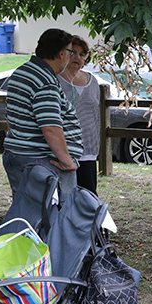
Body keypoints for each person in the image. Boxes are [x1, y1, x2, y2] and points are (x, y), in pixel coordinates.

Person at [2, 28, 83, 198]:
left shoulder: (22, 72)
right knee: (56, 217)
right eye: (70, 52)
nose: (70, 58)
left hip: (19, 155)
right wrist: (67, 162)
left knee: (26, 215)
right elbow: (51, 127)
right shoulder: (44, 82)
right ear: (61, 54)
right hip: (42, 161)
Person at [59, 35, 100, 195]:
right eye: (73, 53)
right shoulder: (56, 80)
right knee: (65, 196)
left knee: (88, 196)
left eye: (82, 54)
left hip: (89, 148)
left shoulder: (92, 81)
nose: (77, 57)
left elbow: (96, 114)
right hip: (65, 149)